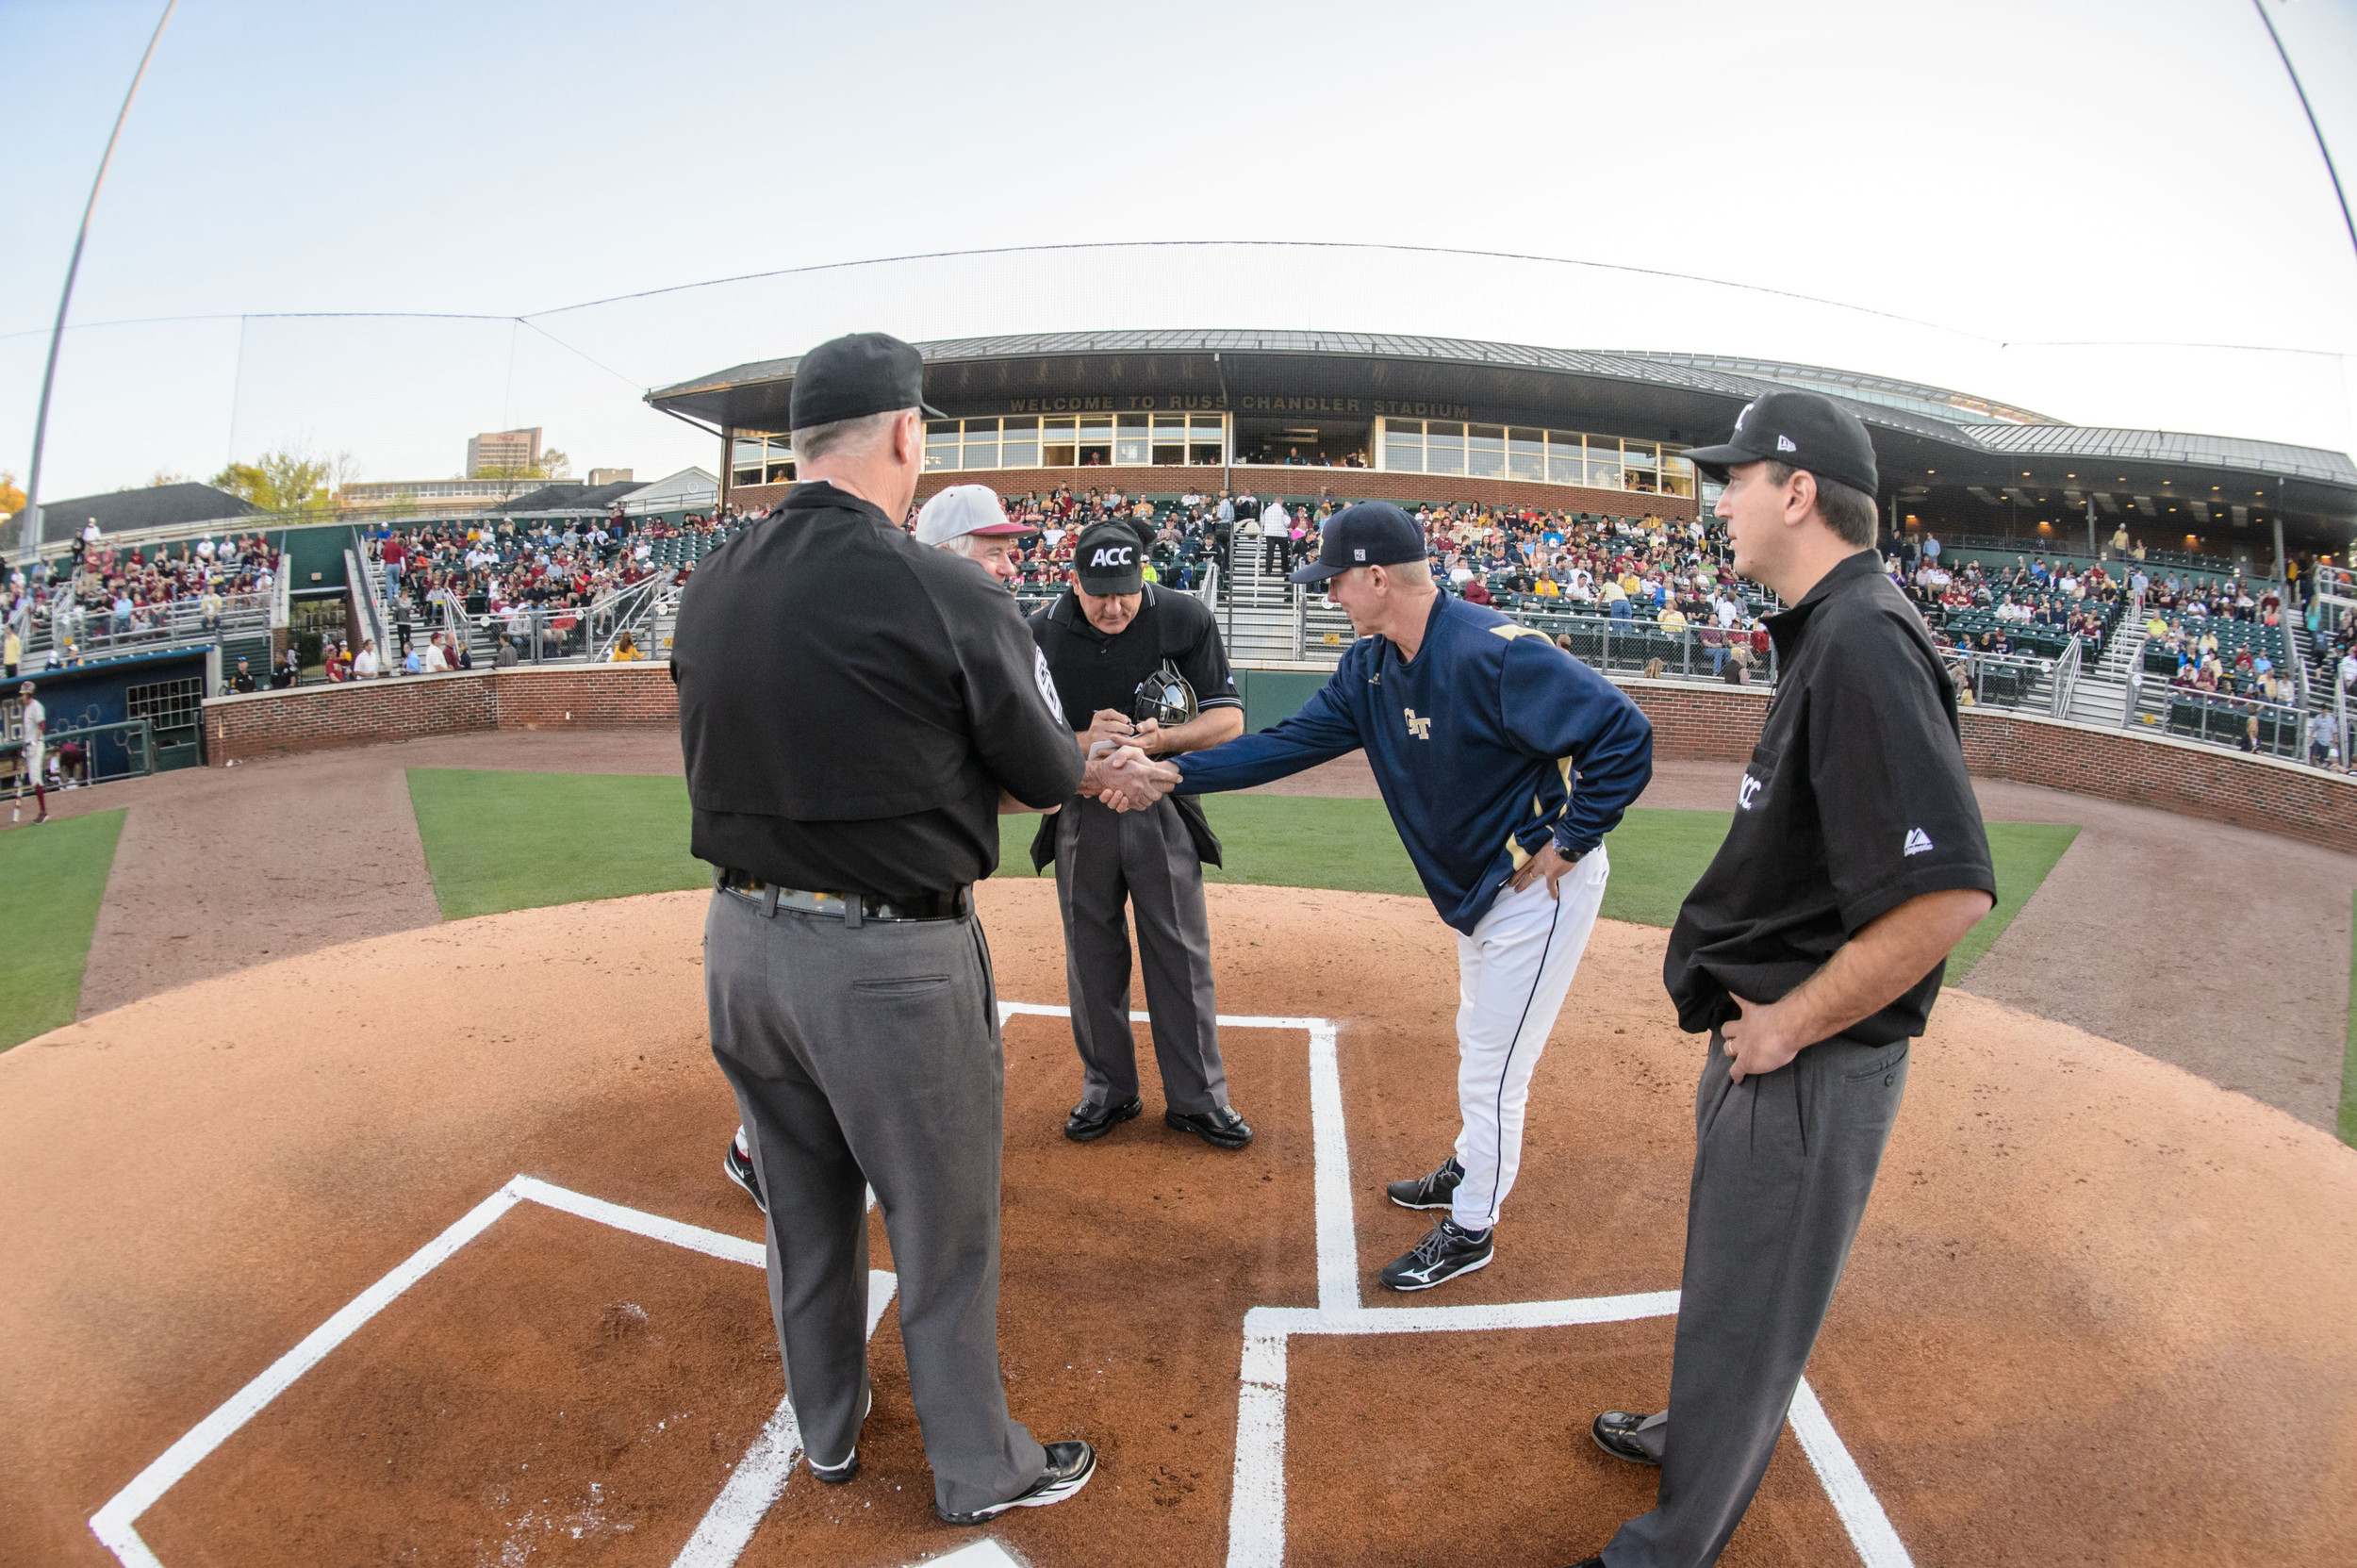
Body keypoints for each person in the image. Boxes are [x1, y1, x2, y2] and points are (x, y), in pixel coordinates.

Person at [673, 331, 1096, 1526]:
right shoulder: (941, 582)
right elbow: (1042, 774)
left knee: (805, 1216)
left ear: (798, 441)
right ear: (907, 433)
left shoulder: (716, 578)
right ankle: (979, 1466)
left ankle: (829, 1437)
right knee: (942, 1226)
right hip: (887, 964)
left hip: (741, 951)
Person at [1567, 391, 1995, 1568]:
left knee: (1755, 1299)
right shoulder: (1834, 626)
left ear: (1797, 493)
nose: (1721, 501)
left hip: (1811, 1052)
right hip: (1782, 1039)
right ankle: (1692, 1431)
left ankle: (1671, 1545)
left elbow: (1949, 892)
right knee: (1729, 1276)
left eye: (1737, 478)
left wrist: (1790, 1024)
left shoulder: (1864, 637)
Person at [1096, 502, 1654, 1291]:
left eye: (1336, 582)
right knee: (1480, 1035)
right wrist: (1172, 773)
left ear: (1378, 577)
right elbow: (1286, 745)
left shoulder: (1490, 652)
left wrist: (1571, 840)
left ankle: (1472, 1228)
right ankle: (1471, 1168)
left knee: (1495, 1065)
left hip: (1536, 889)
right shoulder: (1370, 667)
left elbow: (1624, 733)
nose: (1329, 595)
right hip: (1479, 889)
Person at [722, 480, 1042, 1208]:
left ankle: (763, 1144)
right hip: (859, 896)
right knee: (865, 1037)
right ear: (946, 552)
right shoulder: (916, 624)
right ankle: (760, 1146)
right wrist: (1077, 767)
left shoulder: (889, 613)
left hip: (787, 904)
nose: (1011, 566)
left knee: (820, 1029)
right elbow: (1025, 776)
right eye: (996, 551)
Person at [1030, 520, 1250, 1148]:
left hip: (1161, 804)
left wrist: (1160, 742)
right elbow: (1014, 735)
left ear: (1142, 576)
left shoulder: (1183, 618)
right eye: (1099, 592)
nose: (1114, 605)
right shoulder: (1038, 631)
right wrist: (1085, 748)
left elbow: (1228, 718)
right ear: (1072, 580)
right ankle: (1109, 1091)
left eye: (1126, 590)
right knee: (1092, 960)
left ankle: (1198, 1099)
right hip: (1079, 808)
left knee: (1181, 954)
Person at [14, 681, 47, 823]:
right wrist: (25, 746)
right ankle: (42, 810)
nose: (22, 697)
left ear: (29, 693)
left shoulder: (36, 706)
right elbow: (29, 730)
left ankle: (43, 811)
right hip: (29, 746)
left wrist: (34, 741)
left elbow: (42, 725)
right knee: (34, 780)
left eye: (24, 694)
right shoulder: (27, 708)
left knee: (35, 778)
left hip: (37, 745)